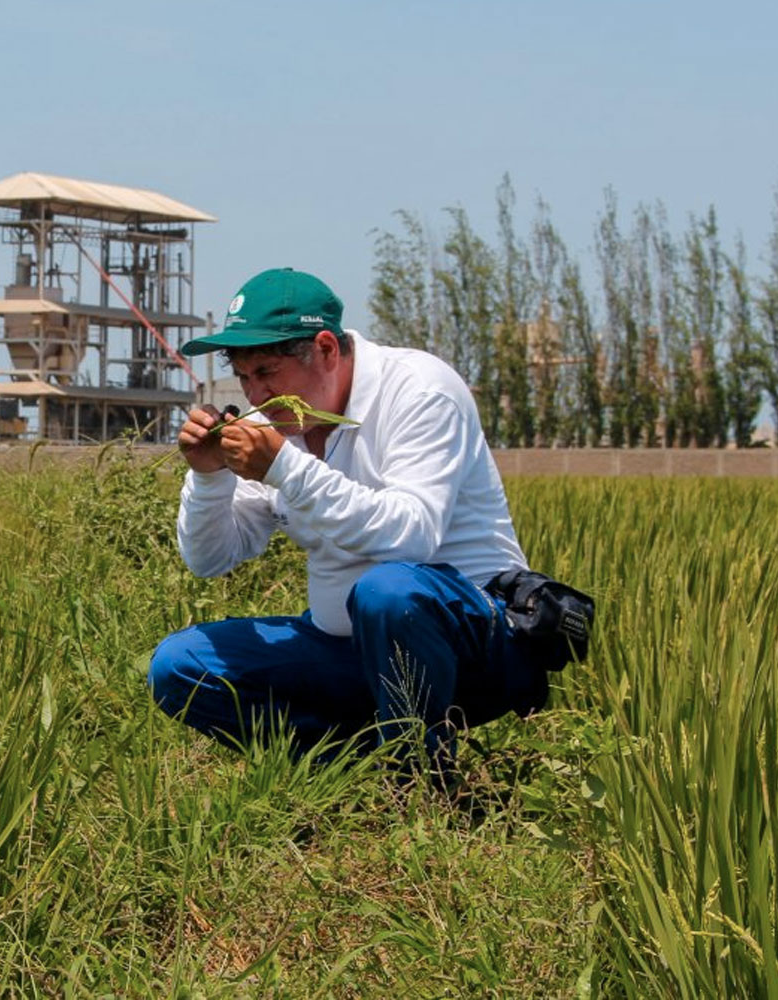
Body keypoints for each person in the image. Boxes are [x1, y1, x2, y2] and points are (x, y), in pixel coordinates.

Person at [147, 267, 565, 772]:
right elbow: (210, 559)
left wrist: (285, 467)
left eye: (267, 373)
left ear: (325, 349)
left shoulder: (419, 390)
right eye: (243, 378)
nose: (255, 397)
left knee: (386, 590)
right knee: (180, 665)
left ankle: (418, 785)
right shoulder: (275, 425)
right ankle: (343, 766)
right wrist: (210, 477)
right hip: (347, 648)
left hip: (474, 646)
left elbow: (411, 536)